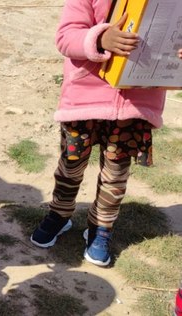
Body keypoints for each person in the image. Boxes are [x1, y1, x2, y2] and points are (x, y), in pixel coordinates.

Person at [30, 0, 182, 266]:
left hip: (136, 107)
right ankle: (59, 214)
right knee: (71, 165)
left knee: (116, 174)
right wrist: (100, 38)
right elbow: (65, 37)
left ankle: (101, 229)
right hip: (83, 102)